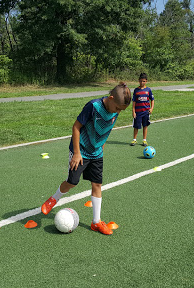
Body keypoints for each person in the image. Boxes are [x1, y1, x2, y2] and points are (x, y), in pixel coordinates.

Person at [41, 82, 131, 235]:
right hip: (81, 150)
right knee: (72, 182)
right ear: (110, 98)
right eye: (117, 108)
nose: (118, 112)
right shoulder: (93, 106)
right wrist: (77, 152)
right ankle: (53, 199)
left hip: (97, 153)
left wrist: (101, 145)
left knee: (97, 184)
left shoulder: (116, 109)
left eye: (121, 110)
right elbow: (76, 127)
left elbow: (107, 127)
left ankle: (96, 222)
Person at [130, 73, 154, 146]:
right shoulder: (136, 90)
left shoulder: (148, 90)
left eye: (143, 81)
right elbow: (134, 102)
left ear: (146, 81)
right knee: (136, 126)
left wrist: (151, 108)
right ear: (138, 81)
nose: (142, 83)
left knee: (145, 125)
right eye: (140, 81)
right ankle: (134, 140)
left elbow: (152, 99)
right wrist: (133, 111)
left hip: (146, 112)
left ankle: (144, 140)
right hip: (138, 112)